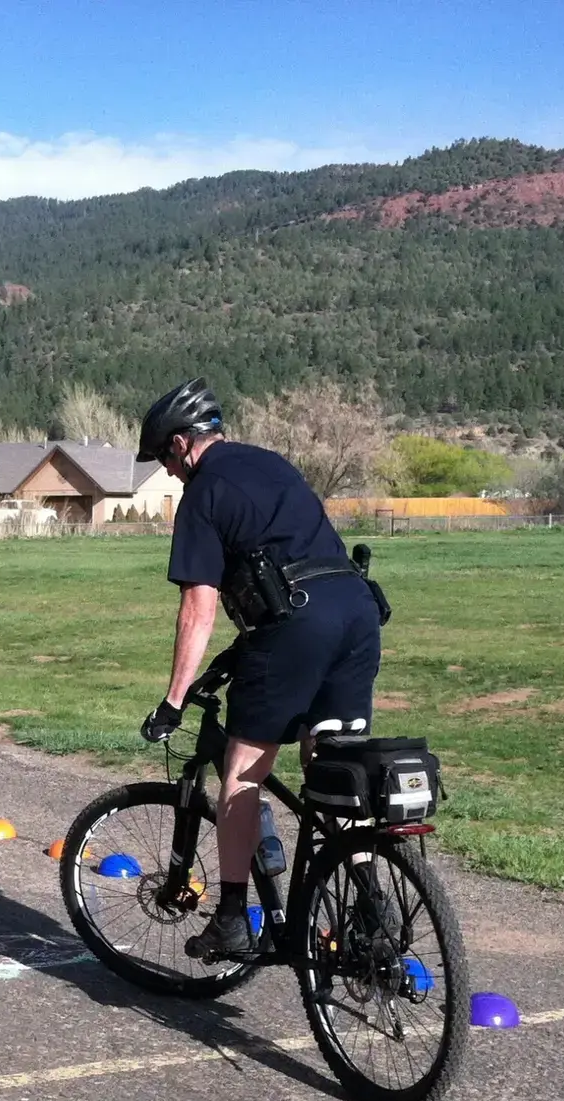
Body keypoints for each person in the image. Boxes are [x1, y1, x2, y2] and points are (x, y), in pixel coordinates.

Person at [136, 378, 383, 961]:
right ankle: (373, 911)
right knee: (334, 769)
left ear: (181, 444)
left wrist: (173, 701)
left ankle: (229, 918)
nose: (168, 472)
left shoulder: (203, 492)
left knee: (243, 772)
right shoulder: (273, 464)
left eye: (164, 459)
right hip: (358, 613)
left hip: (298, 623)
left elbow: (198, 608)